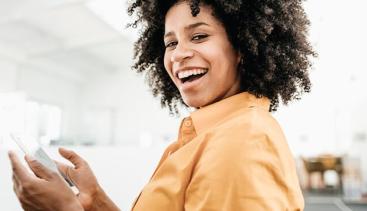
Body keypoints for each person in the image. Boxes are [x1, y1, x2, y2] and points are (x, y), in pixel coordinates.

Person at [8, 0, 315, 210]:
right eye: (171, 42)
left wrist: (63, 209)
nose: (179, 54)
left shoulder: (243, 140)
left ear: (243, 47)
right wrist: (94, 201)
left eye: (199, 36)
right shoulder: (206, 135)